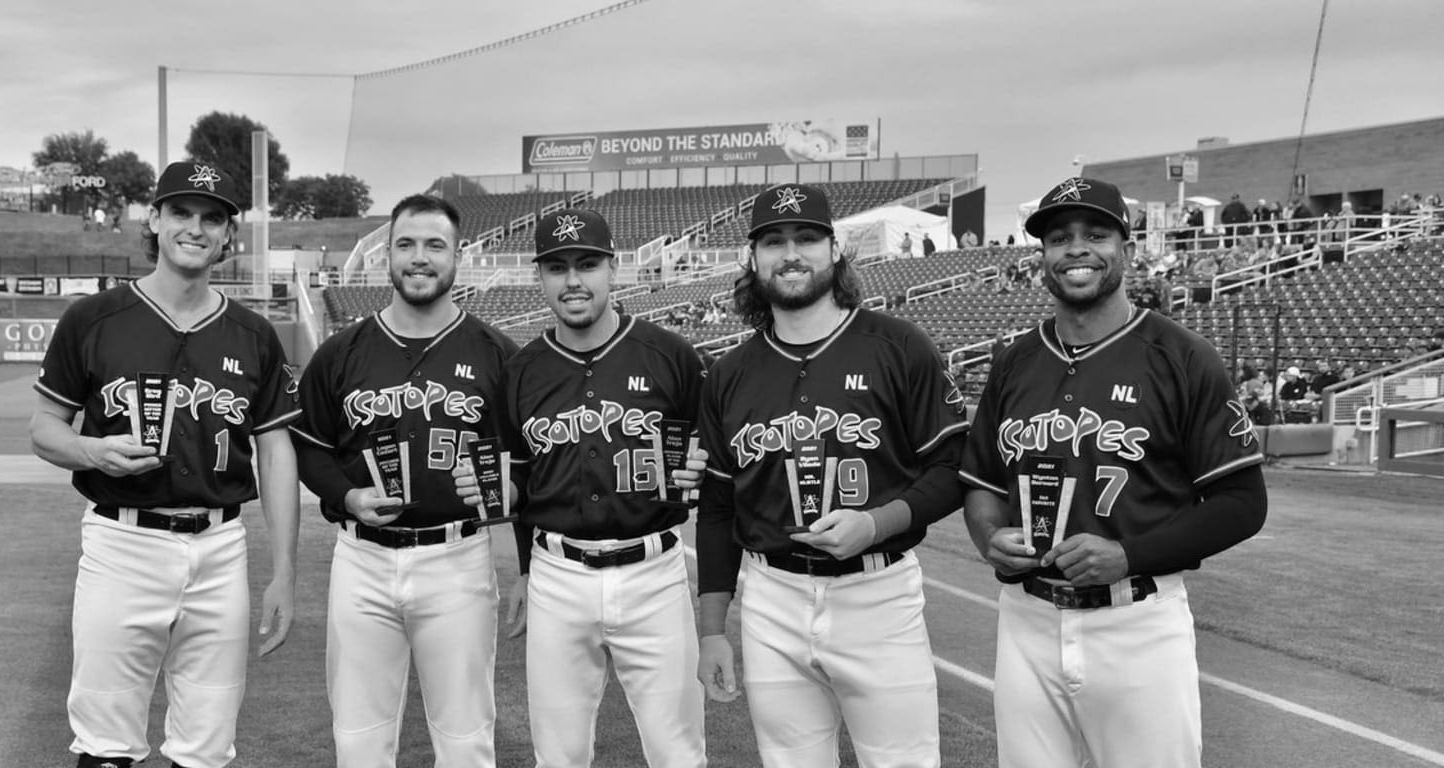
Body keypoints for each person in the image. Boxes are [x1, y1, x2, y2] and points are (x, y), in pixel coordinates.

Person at [960, 177, 1267, 768]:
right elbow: (980, 483)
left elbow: (1242, 503)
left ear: (1126, 246)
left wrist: (1128, 555)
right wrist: (988, 537)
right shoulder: (1015, 361)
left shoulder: (1182, 357)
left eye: (1095, 234)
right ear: (1042, 256)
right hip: (1027, 618)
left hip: (1138, 620)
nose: (1077, 249)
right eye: (1059, 237)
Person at [28, 162, 302, 768]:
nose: (196, 228)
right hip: (121, 543)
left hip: (221, 546)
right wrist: (92, 452)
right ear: (154, 220)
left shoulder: (254, 332)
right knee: (105, 744)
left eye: (212, 218)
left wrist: (284, 569)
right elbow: (44, 429)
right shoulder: (93, 318)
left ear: (228, 234)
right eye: (181, 212)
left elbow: (277, 451)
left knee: (206, 746)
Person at [695, 183, 969, 766]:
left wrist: (876, 524)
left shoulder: (897, 345)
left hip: (878, 592)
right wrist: (712, 628)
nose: (790, 253)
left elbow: (951, 469)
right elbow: (719, 505)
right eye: (774, 241)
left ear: (834, 250)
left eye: (806, 238)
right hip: (771, 595)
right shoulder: (729, 373)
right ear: (753, 258)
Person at [455, 208, 710, 767]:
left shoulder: (672, 356)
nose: (573, 280)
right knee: (560, 754)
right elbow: (519, 476)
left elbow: (712, 454)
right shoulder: (520, 371)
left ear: (612, 268)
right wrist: (497, 494)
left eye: (587, 263)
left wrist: (700, 472)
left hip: (655, 575)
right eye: (557, 267)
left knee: (678, 752)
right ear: (539, 277)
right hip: (558, 576)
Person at [291, 194, 517, 767]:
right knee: (359, 740)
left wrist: (514, 513)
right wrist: (346, 495)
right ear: (387, 255)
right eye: (406, 244)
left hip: (459, 558)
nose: (419, 258)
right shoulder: (340, 353)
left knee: (467, 741)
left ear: (458, 256)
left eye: (434, 245)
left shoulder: (499, 356)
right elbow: (311, 451)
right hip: (361, 561)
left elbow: (531, 463)